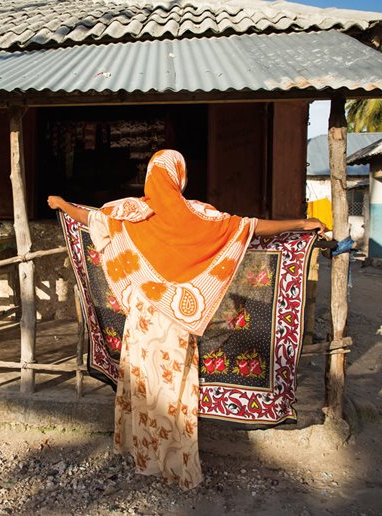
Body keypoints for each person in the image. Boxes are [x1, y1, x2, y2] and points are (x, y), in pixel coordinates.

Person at [48, 149, 326, 489]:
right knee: (173, 393)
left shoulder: (131, 213)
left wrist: (62, 204)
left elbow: (92, 219)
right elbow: (248, 228)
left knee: (143, 386)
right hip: (175, 323)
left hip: (141, 321)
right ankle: (176, 466)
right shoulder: (200, 216)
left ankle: (144, 457)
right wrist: (300, 223)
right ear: (179, 176)